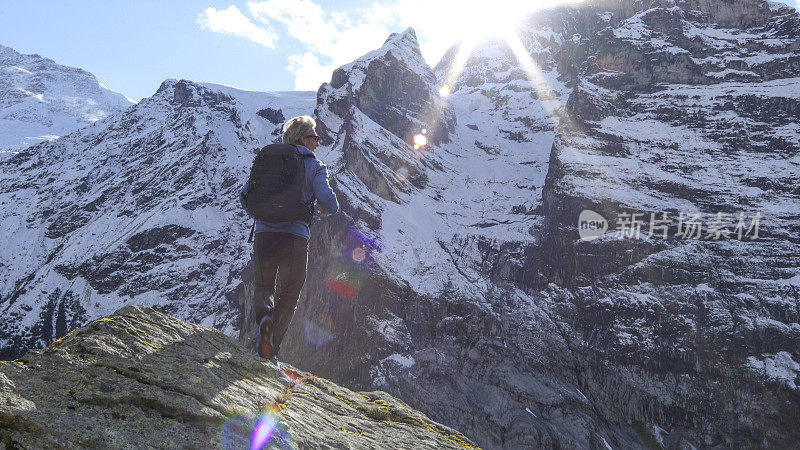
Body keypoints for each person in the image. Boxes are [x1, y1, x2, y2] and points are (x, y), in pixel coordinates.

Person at [239, 115, 338, 362]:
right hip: (294, 238)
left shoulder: (268, 159)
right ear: (304, 138)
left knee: (264, 288)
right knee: (290, 291)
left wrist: (264, 215)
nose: (317, 142)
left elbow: (244, 195)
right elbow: (327, 199)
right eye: (315, 137)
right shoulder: (313, 164)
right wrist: (329, 209)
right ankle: (270, 348)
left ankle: (264, 327)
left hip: (264, 236)